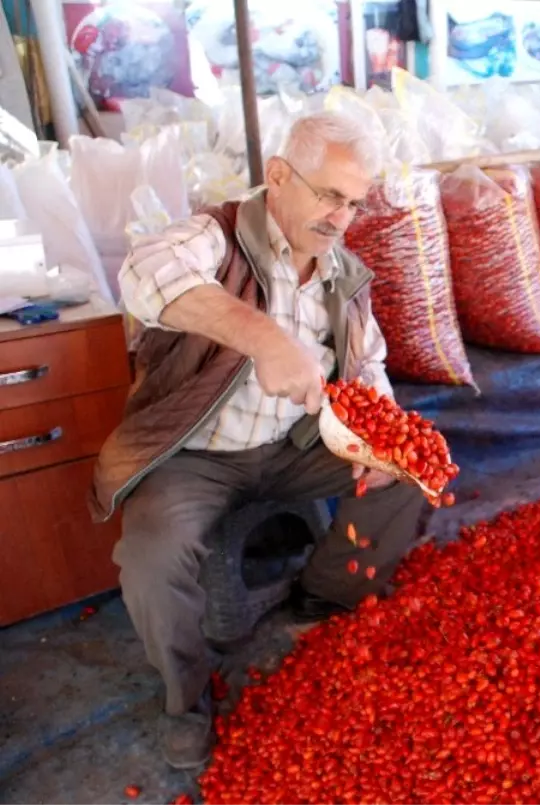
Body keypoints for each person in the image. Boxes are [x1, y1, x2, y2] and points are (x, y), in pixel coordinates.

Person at [89, 111, 427, 770]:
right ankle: (185, 700)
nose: (341, 217)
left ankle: (323, 595)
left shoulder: (344, 276)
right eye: (329, 194)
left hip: (301, 446)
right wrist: (263, 337)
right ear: (278, 176)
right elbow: (144, 273)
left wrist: (384, 434)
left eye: (355, 203)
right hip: (195, 453)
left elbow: (372, 366)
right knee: (153, 558)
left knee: (414, 469)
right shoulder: (216, 236)